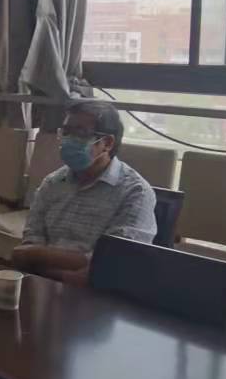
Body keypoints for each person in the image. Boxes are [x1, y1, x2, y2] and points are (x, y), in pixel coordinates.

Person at [11, 100, 156, 287]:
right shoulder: (53, 183)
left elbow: (113, 264)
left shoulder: (135, 193)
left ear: (107, 143)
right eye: (66, 132)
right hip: (42, 289)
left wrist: (38, 256)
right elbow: (28, 247)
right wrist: (65, 271)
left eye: (80, 133)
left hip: (99, 297)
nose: (68, 140)